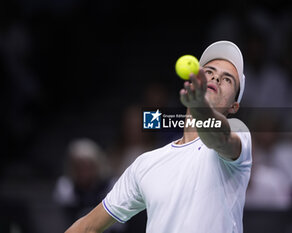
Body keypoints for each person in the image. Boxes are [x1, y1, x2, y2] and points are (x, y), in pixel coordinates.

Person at [65, 41, 252, 233]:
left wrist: (201, 109)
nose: (216, 78)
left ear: (233, 106)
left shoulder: (238, 133)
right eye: (209, 71)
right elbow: (87, 227)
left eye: (228, 79)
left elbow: (220, 138)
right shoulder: (145, 164)